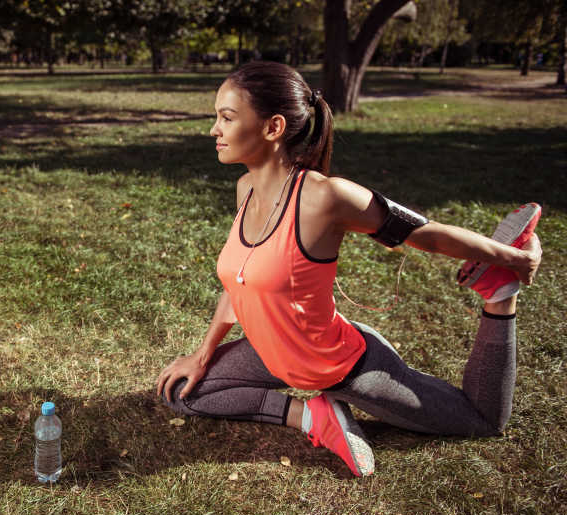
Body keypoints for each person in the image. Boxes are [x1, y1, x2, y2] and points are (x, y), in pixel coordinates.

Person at [155, 61, 542, 477]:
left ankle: (500, 294)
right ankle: (314, 417)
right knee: (181, 392)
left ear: (273, 128)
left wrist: (515, 260)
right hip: (271, 353)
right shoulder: (245, 189)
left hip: (342, 364)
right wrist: (202, 354)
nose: (214, 129)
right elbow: (239, 284)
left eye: (226, 118)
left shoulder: (326, 197)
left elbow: (426, 234)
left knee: (480, 421)